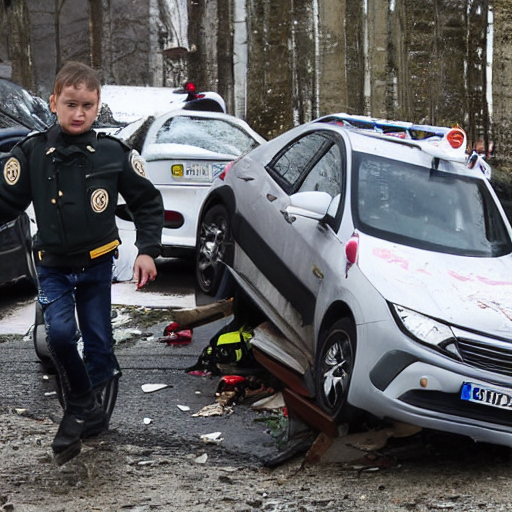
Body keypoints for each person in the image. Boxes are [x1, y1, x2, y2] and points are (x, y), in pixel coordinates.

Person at [0, 61, 164, 465]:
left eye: (87, 106)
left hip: (95, 267)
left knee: (98, 342)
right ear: (54, 102)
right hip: (53, 264)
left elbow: (147, 203)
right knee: (57, 336)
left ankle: (93, 404)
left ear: (97, 106)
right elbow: (5, 202)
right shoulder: (33, 153)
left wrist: (146, 249)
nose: (78, 113)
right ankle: (78, 402)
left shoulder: (113, 154)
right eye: (70, 104)